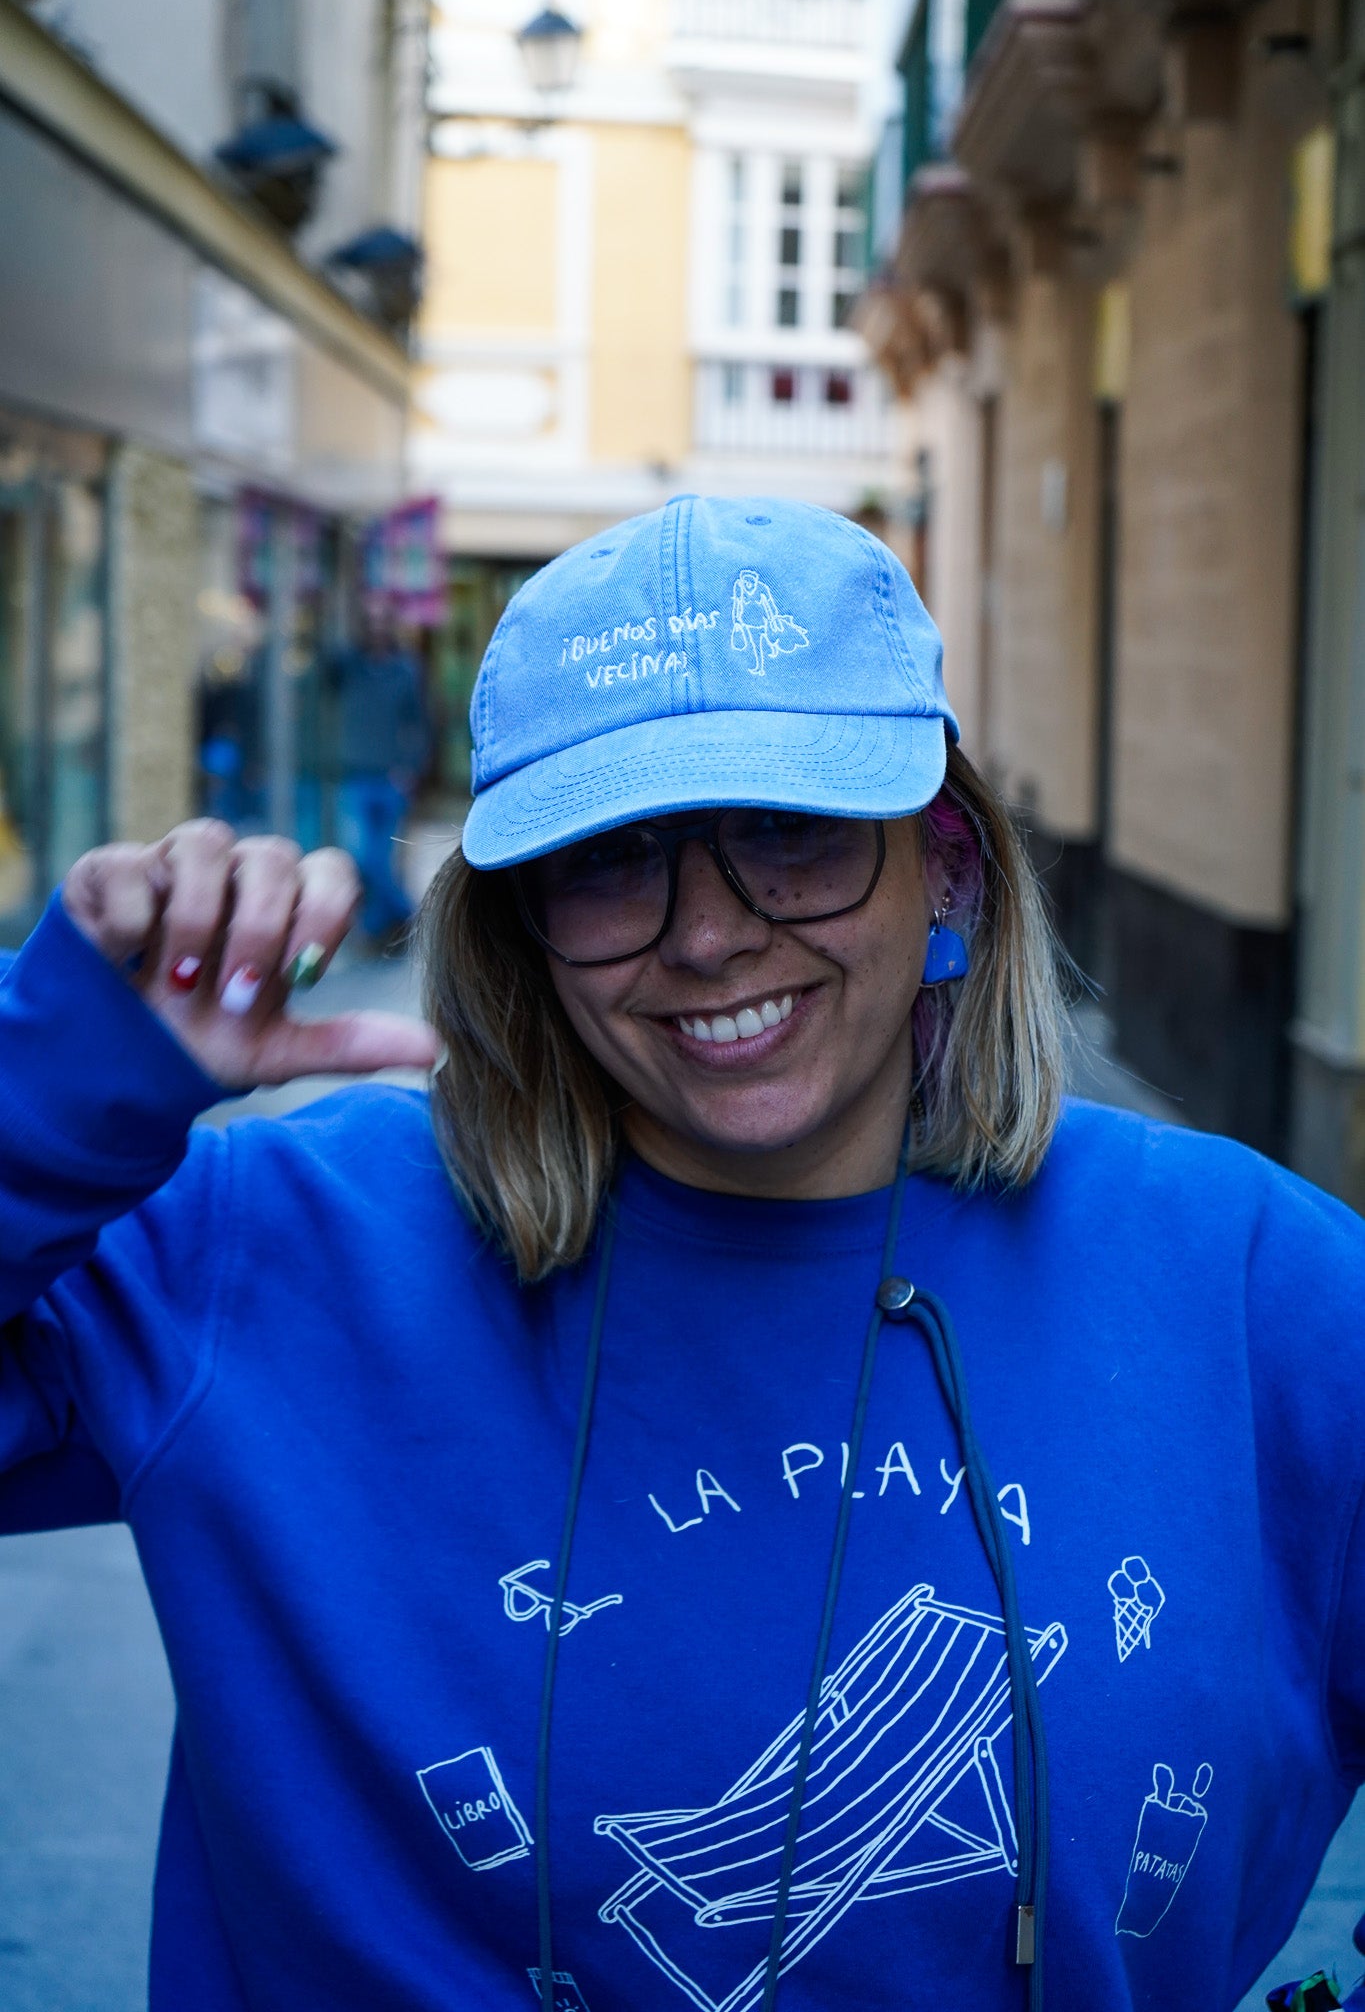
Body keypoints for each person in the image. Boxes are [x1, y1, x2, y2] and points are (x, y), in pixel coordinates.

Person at [0, 493, 1362, 2012]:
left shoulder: (1258, 1291)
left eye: (790, 834)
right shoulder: (260, 1259)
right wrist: (54, 1086)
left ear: (951, 867)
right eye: (612, 859)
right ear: (521, 922)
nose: (706, 933)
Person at [329, 614, 430, 943]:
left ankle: (376, 928)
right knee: (361, 856)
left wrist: (411, 767)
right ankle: (407, 915)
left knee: (380, 857)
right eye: (369, 624)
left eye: (380, 623)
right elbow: (327, 661)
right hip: (355, 774)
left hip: (390, 778)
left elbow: (421, 722)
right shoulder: (352, 669)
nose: (376, 630)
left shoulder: (404, 671)